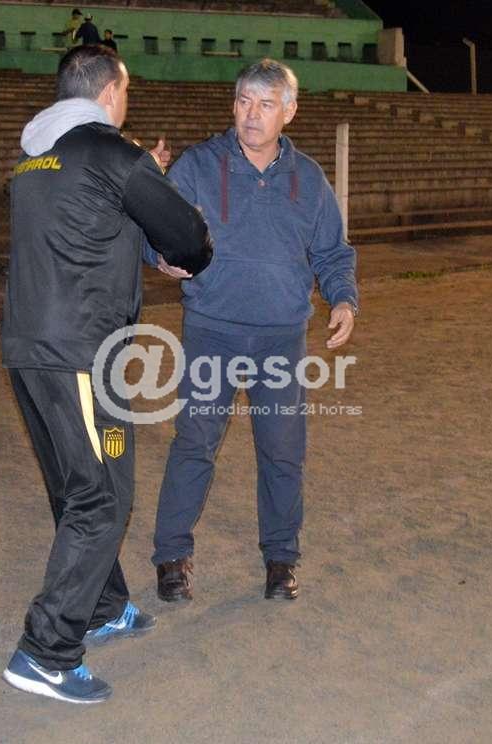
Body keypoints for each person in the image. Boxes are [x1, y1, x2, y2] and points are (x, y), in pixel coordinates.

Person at [0, 45, 212, 704]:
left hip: (39, 353)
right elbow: (188, 235)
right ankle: (45, 652)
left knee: (94, 481)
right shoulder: (115, 154)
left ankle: (102, 604)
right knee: (98, 499)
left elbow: (91, 229)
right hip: (81, 356)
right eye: (127, 91)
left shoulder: (35, 158)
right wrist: (182, 242)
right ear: (111, 92)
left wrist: (140, 189)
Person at [145, 58, 358, 604]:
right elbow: (154, 227)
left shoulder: (308, 179)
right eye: (244, 101)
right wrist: (160, 256)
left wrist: (343, 299)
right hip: (211, 332)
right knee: (195, 443)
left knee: (283, 452)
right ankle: (172, 556)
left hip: (280, 339)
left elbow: (332, 252)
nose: (252, 115)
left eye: (266, 104)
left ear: (289, 111)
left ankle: (281, 558)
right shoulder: (197, 166)